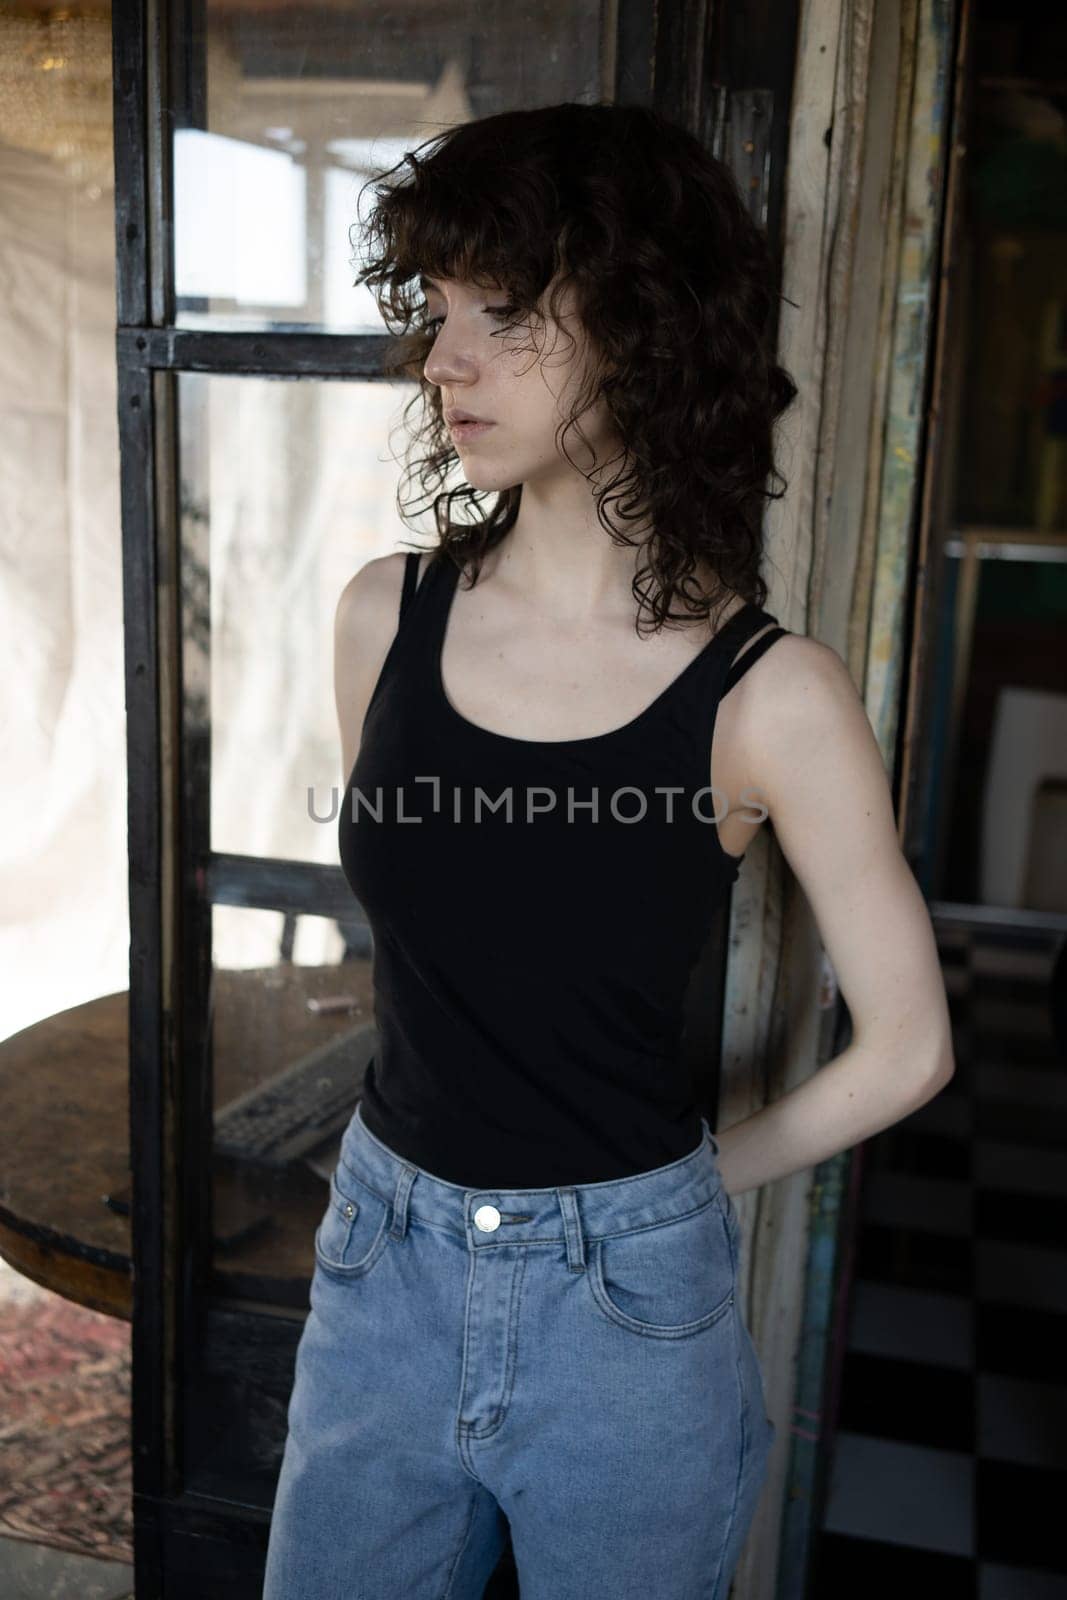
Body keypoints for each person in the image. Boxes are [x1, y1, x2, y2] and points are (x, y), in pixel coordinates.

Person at [262, 101, 954, 1599]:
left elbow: (909, 1047)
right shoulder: (385, 615)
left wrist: (687, 1189)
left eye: (503, 314)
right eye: (437, 312)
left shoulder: (772, 694)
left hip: (627, 1319)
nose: (444, 359)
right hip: (381, 1266)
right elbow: (427, 938)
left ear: (641, 331)